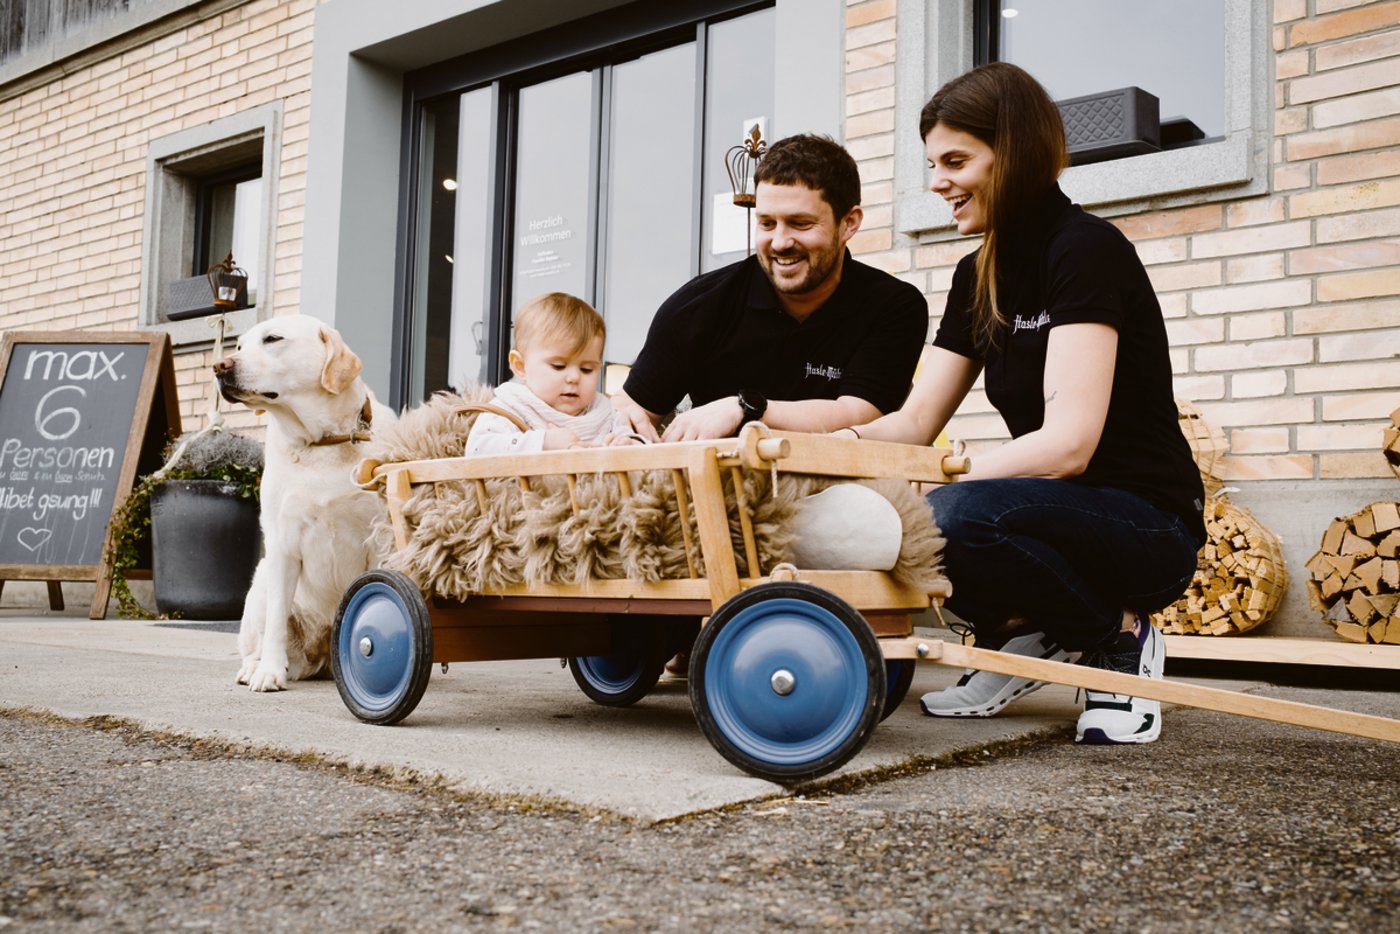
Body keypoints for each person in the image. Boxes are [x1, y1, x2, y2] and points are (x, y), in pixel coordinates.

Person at [834, 63, 1204, 745]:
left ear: (1014, 152)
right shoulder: (976, 274)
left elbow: (1070, 444)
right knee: (893, 511)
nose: (937, 181)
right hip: (1054, 512)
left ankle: (1119, 638)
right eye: (931, 163)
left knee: (952, 514)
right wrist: (835, 456)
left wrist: (942, 480)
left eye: (955, 160)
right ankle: (1027, 635)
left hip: (1147, 525)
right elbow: (916, 422)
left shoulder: (1084, 251)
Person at [612, 133, 929, 443]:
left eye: (800, 223)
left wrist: (745, 409)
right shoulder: (696, 307)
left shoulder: (893, 305)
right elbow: (633, 414)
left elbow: (860, 413)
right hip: (721, 486)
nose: (779, 242)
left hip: (844, 482)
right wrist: (626, 433)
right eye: (766, 223)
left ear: (849, 222)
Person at [466, 292, 636, 454]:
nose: (574, 378)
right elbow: (477, 449)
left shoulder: (605, 413)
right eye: (558, 366)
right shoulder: (511, 408)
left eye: (587, 369)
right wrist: (542, 442)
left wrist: (630, 444)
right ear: (520, 366)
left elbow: (635, 442)